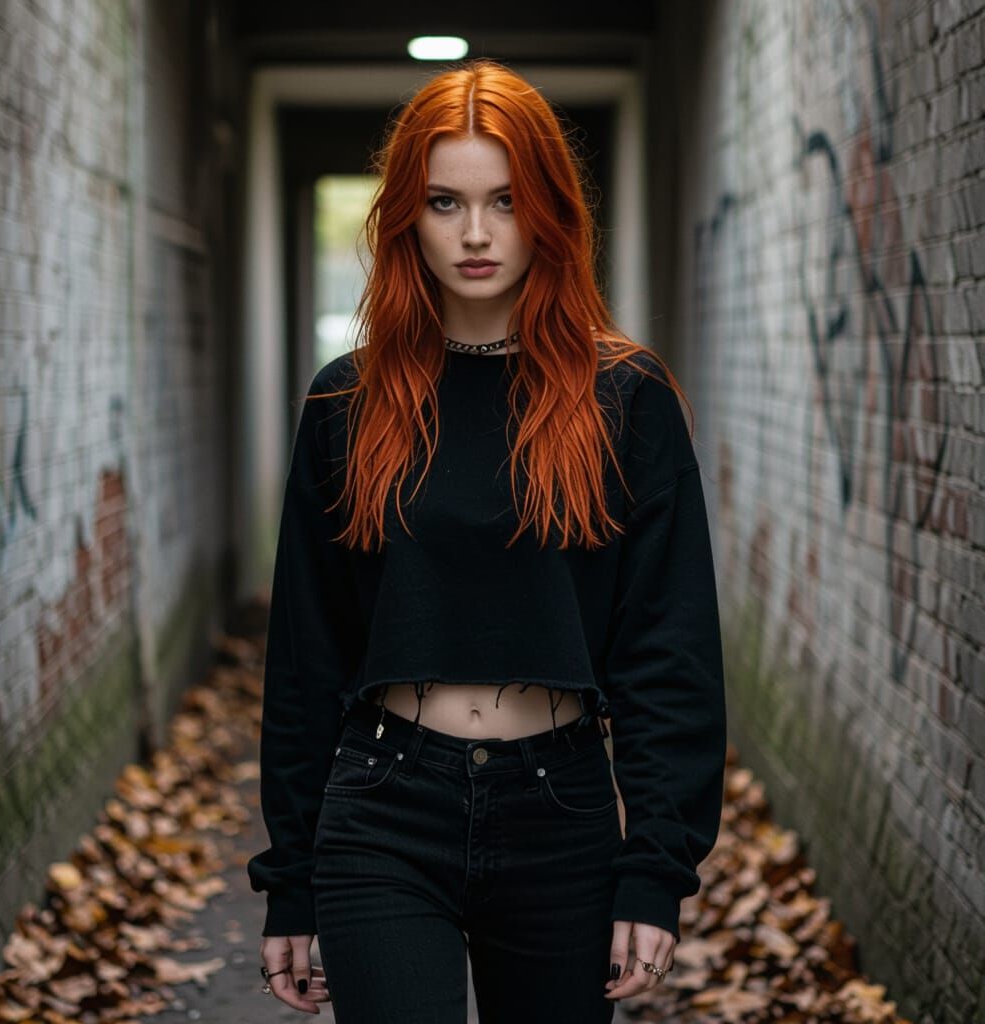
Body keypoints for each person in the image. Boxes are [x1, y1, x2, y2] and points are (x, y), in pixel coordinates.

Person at [247, 59, 726, 1023]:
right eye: (444, 202)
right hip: (384, 803)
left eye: (504, 201)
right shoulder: (348, 402)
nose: (475, 233)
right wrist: (289, 877)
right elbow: (306, 657)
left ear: (547, 208)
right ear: (404, 221)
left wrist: (655, 869)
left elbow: (669, 651)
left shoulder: (626, 399)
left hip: (563, 816)